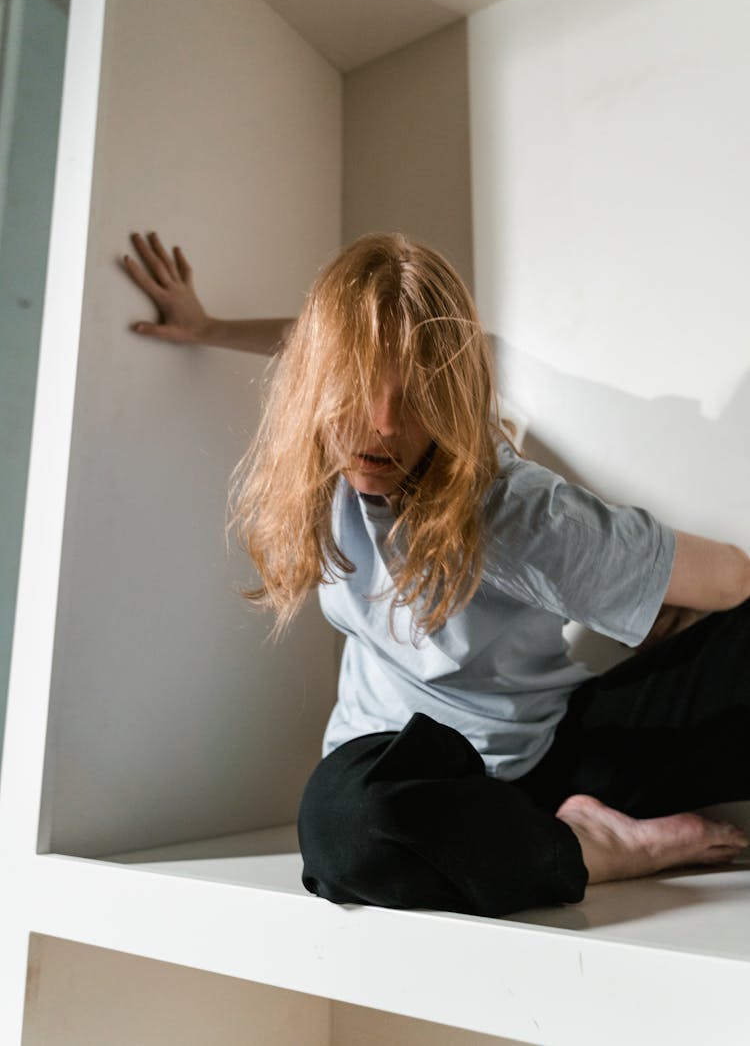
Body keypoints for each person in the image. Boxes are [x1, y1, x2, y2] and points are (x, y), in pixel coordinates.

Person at [122, 229, 750, 918]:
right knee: (341, 829)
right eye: (359, 383)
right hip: (399, 770)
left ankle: (554, 836)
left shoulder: (515, 510)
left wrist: (661, 603)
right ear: (318, 378)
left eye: (417, 391)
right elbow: (311, 337)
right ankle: (596, 849)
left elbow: (732, 577)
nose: (383, 423)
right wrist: (206, 327)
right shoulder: (322, 451)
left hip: (546, 751)